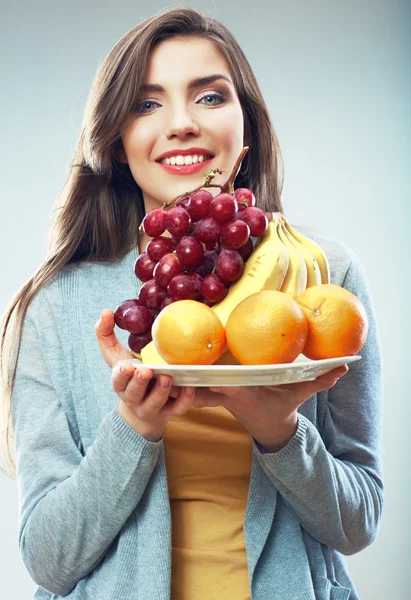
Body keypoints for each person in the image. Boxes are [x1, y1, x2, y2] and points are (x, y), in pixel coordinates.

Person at [0, 6, 383, 600]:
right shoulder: (55, 306)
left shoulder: (324, 279)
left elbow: (359, 523)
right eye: (147, 104)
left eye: (209, 97)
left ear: (246, 127)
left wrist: (278, 430)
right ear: (118, 144)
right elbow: (48, 560)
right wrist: (135, 426)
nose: (181, 123)